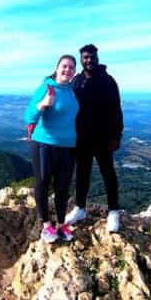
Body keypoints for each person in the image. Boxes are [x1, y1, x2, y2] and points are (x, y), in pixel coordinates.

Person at [66, 44, 124, 232]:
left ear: (97, 57)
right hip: (81, 138)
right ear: (81, 60)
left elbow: (116, 110)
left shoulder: (108, 81)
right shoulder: (76, 81)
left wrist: (116, 136)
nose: (89, 60)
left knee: (108, 173)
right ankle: (80, 208)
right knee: (82, 173)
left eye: (92, 56)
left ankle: (114, 211)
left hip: (103, 138)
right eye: (85, 57)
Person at [24, 54, 79, 243]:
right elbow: (29, 116)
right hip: (44, 143)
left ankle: (62, 223)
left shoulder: (73, 90)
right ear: (57, 68)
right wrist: (42, 104)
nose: (67, 70)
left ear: (74, 72)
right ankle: (46, 225)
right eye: (64, 66)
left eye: (71, 67)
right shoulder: (46, 87)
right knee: (43, 184)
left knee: (63, 187)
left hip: (69, 146)